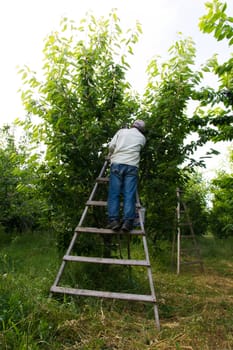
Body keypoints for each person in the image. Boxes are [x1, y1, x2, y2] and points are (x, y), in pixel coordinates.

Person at [107, 120, 146, 232]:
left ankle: (113, 221)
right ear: (142, 130)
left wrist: (112, 153)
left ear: (132, 125)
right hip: (132, 166)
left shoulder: (122, 131)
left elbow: (111, 146)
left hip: (117, 164)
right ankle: (127, 222)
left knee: (114, 193)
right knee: (129, 194)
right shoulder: (142, 138)